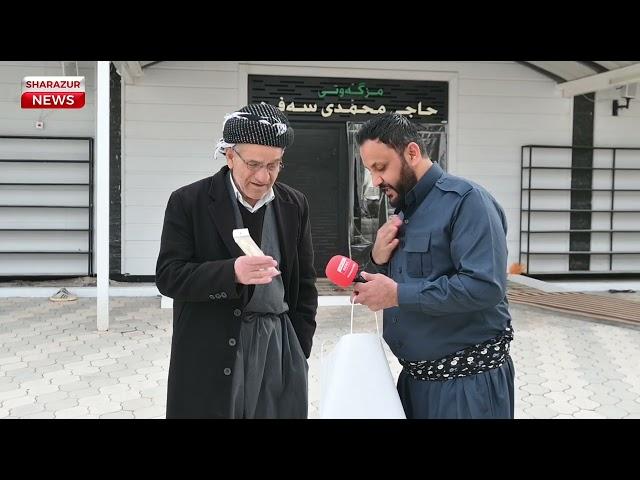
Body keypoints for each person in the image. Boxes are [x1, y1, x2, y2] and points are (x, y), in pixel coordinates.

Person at [156, 103, 318, 419]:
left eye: (274, 165)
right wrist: (231, 272)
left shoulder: (294, 204)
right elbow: (169, 276)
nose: (263, 177)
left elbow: (306, 285)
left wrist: (298, 351)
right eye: (254, 164)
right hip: (211, 348)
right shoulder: (189, 201)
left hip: (278, 346)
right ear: (230, 156)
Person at [351, 113, 515, 419]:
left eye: (381, 167)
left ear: (412, 152)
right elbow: (416, 280)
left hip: (466, 385)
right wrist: (377, 260)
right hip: (415, 383)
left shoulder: (468, 202)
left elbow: (485, 286)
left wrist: (398, 295)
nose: (375, 181)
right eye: (369, 171)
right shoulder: (406, 211)